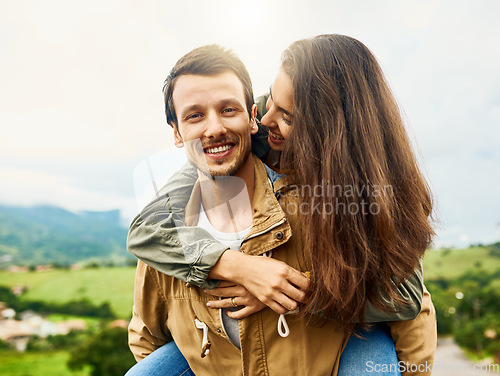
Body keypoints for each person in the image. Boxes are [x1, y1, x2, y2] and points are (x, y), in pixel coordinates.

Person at [127, 37, 436, 376]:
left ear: (325, 134)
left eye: (287, 116)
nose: (268, 120)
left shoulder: (336, 205)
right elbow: (148, 245)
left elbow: (408, 299)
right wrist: (239, 267)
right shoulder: (178, 221)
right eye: (270, 99)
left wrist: (293, 290)